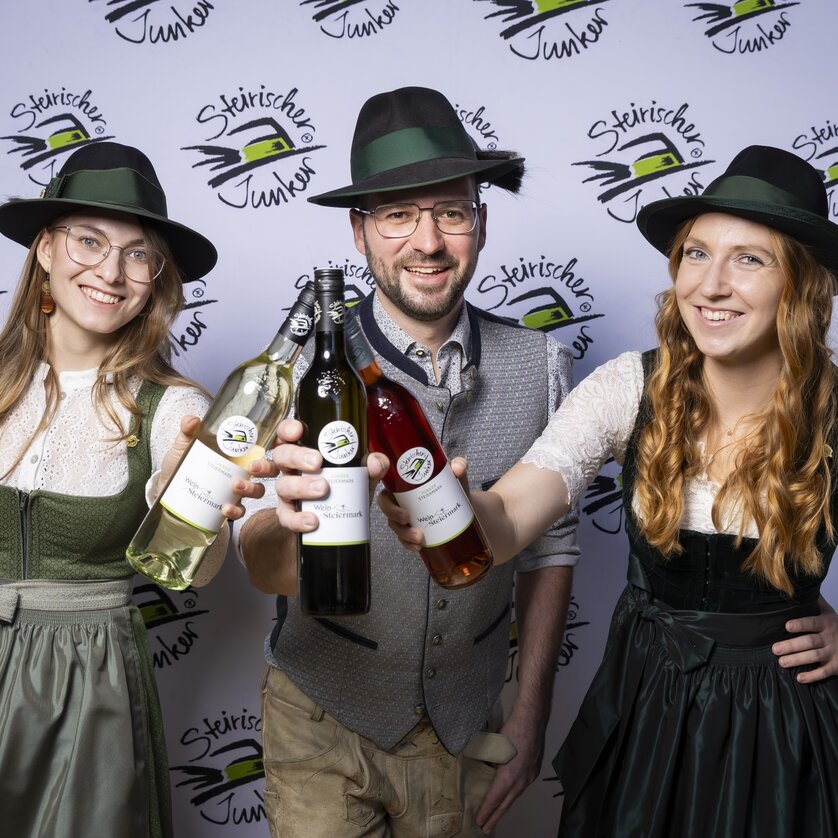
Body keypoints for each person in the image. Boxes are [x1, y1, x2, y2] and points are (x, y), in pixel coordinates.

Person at [384, 145, 838, 837]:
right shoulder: (630, 385)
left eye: (750, 259)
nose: (710, 285)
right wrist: (449, 507)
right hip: (645, 710)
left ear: (804, 286)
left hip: (783, 729)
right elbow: (506, 518)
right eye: (696, 254)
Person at [238, 86, 579, 837]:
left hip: (464, 728)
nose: (427, 242)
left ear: (480, 225)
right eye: (397, 214)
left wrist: (531, 707)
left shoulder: (543, 363)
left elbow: (549, 548)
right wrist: (287, 527)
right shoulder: (296, 366)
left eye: (450, 212)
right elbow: (257, 553)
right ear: (359, 234)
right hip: (319, 715)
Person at [0, 142, 258, 838]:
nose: (110, 272)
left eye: (138, 254)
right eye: (90, 241)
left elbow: (199, 571)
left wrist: (186, 502)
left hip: (86, 685)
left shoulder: (172, 408)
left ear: (156, 277)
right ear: (46, 249)